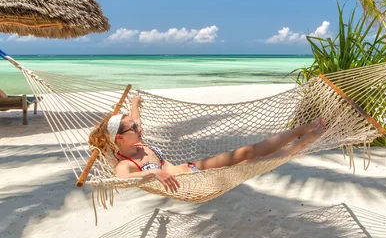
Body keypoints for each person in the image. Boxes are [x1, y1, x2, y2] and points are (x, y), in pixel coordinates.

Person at [88, 95, 326, 193]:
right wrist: (155, 174)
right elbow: (121, 179)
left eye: (138, 126)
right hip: (193, 182)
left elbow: (135, 119)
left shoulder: (138, 144)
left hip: (194, 168)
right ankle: (304, 141)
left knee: (247, 151)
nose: (140, 129)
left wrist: (134, 103)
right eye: (134, 129)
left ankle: (303, 128)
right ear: (120, 138)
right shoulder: (125, 163)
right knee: (253, 161)